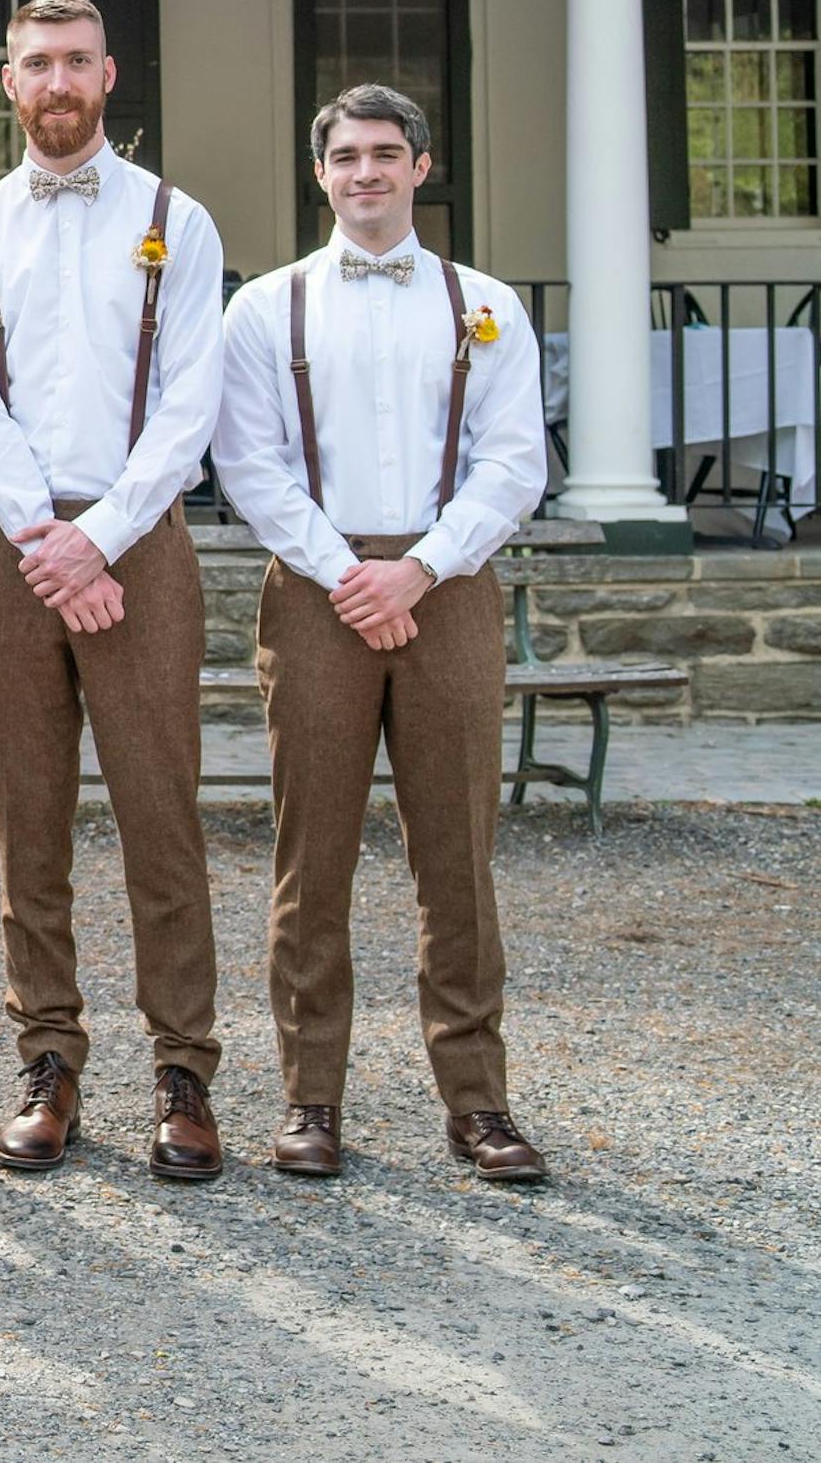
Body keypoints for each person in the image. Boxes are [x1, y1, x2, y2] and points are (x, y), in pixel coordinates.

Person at [213, 85, 551, 1183]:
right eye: (347, 154)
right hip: (320, 588)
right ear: (320, 172)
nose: (367, 171)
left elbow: (514, 460)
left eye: (386, 152)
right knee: (310, 855)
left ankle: (478, 1101)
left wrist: (421, 565)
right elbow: (248, 461)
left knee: (457, 854)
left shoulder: (484, 304)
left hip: (446, 584)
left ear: (420, 166)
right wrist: (345, 571)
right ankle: (309, 1096)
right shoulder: (266, 309)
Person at [0, 0, 231, 1182]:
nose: (57, 80)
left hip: (138, 535)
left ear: (109, 76)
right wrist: (45, 541)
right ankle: (46, 1055)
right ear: (9, 83)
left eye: (77, 60)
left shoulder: (175, 219)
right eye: (37, 62)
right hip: (14, 543)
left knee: (160, 810)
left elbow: (190, 400)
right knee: (28, 812)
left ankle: (183, 1068)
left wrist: (98, 537)